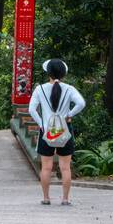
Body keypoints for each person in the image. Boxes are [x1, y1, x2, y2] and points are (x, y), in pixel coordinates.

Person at [28, 59, 85, 205]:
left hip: (47, 131)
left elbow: (31, 110)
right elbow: (81, 103)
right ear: (63, 73)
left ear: (48, 73)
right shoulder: (69, 89)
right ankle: (65, 199)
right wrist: (69, 115)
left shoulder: (39, 89)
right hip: (64, 130)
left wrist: (41, 124)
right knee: (65, 167)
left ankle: (46, 198)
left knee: (46, 167)